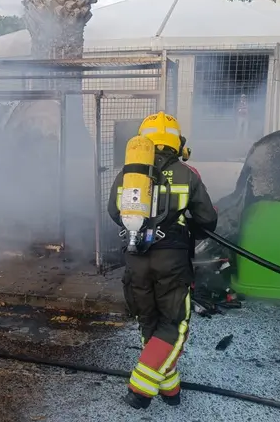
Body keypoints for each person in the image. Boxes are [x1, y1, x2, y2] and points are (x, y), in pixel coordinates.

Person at [107, 112, 218, 409]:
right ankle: (141, 388)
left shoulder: (127, 175)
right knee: (175, 325)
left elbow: (113, 212)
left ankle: (171, 390)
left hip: (135, 261)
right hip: (171, 262)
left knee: (150, 324)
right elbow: (209, 220)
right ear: (177, 142)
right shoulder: (187, 174)